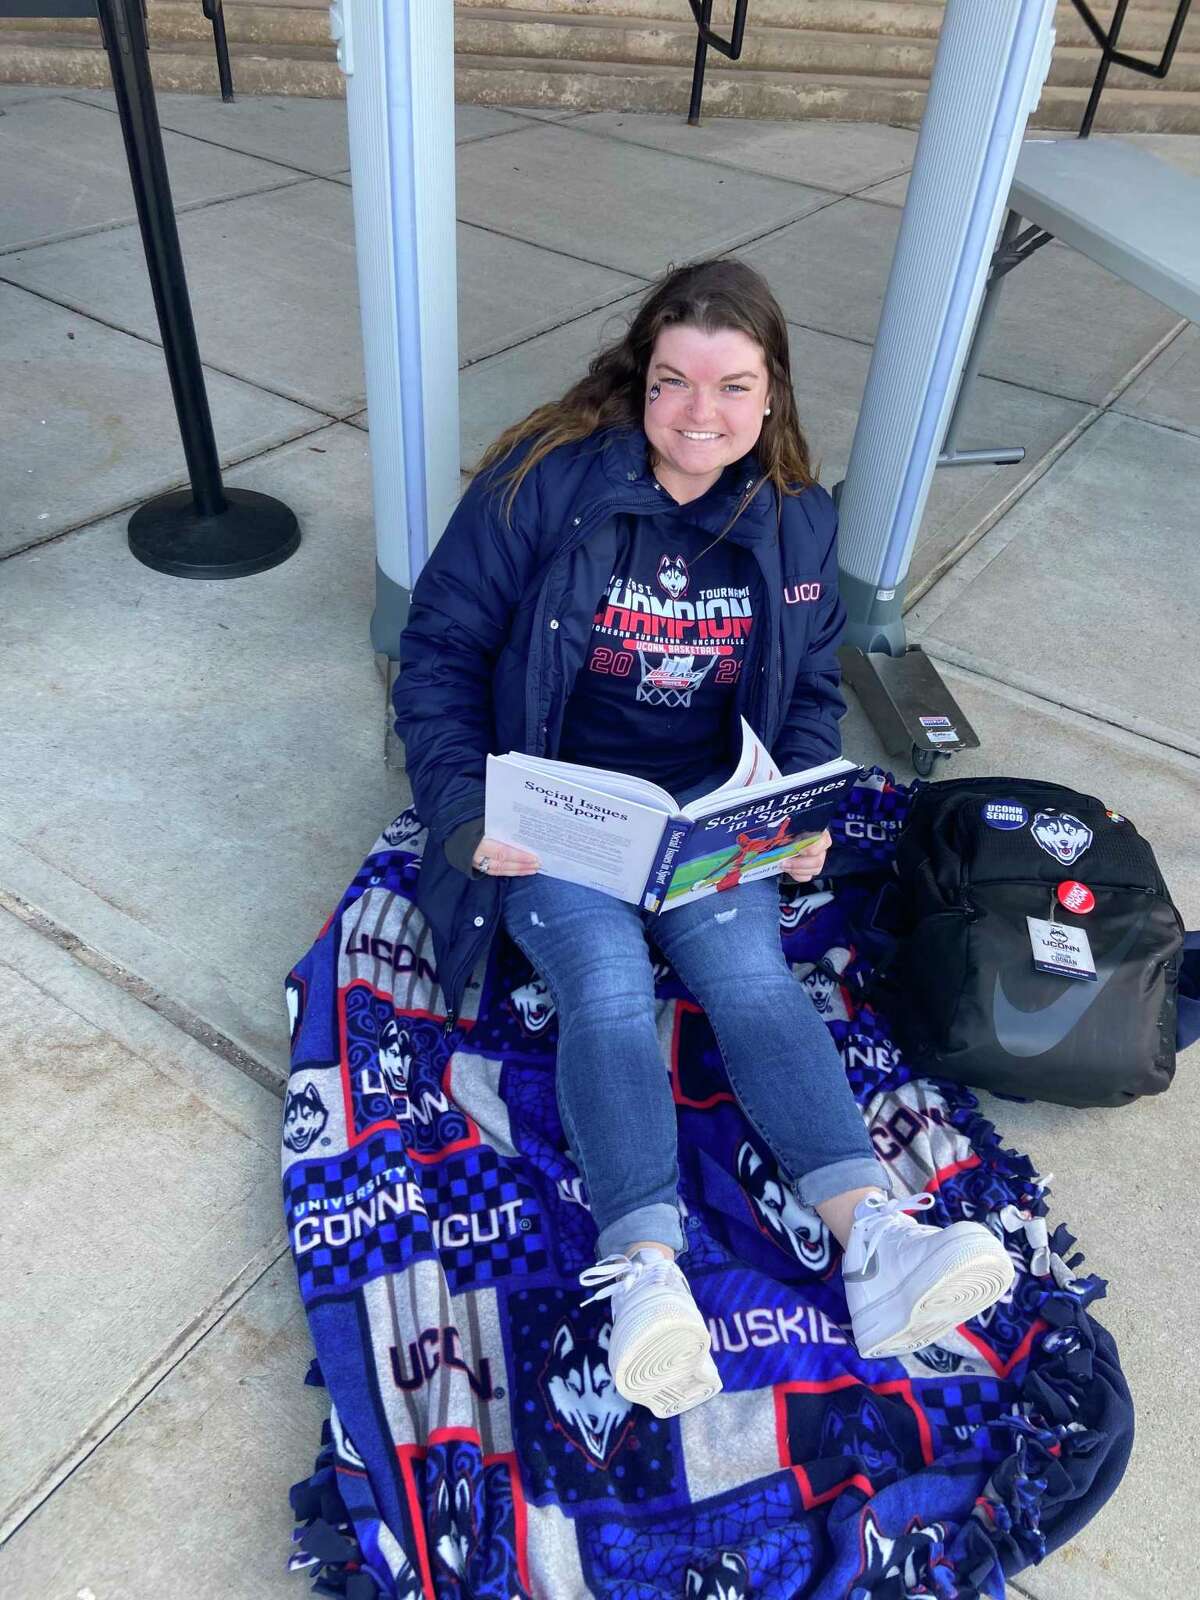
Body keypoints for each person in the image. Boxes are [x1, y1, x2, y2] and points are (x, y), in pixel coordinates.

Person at [394, 259, 1013, 1420]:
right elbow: (436, 657)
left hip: (704, 814)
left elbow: (810, 688)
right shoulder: (542, 485)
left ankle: (872, 1236)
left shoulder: (791, 521)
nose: (699, 416)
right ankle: (646, 1272)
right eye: (673, 382)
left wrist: (796, 811)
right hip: (564, 805)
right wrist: (467, 814)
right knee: (610, 988)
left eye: (732, 388)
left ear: (771, 394)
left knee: (753, 978)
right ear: (642, 380)